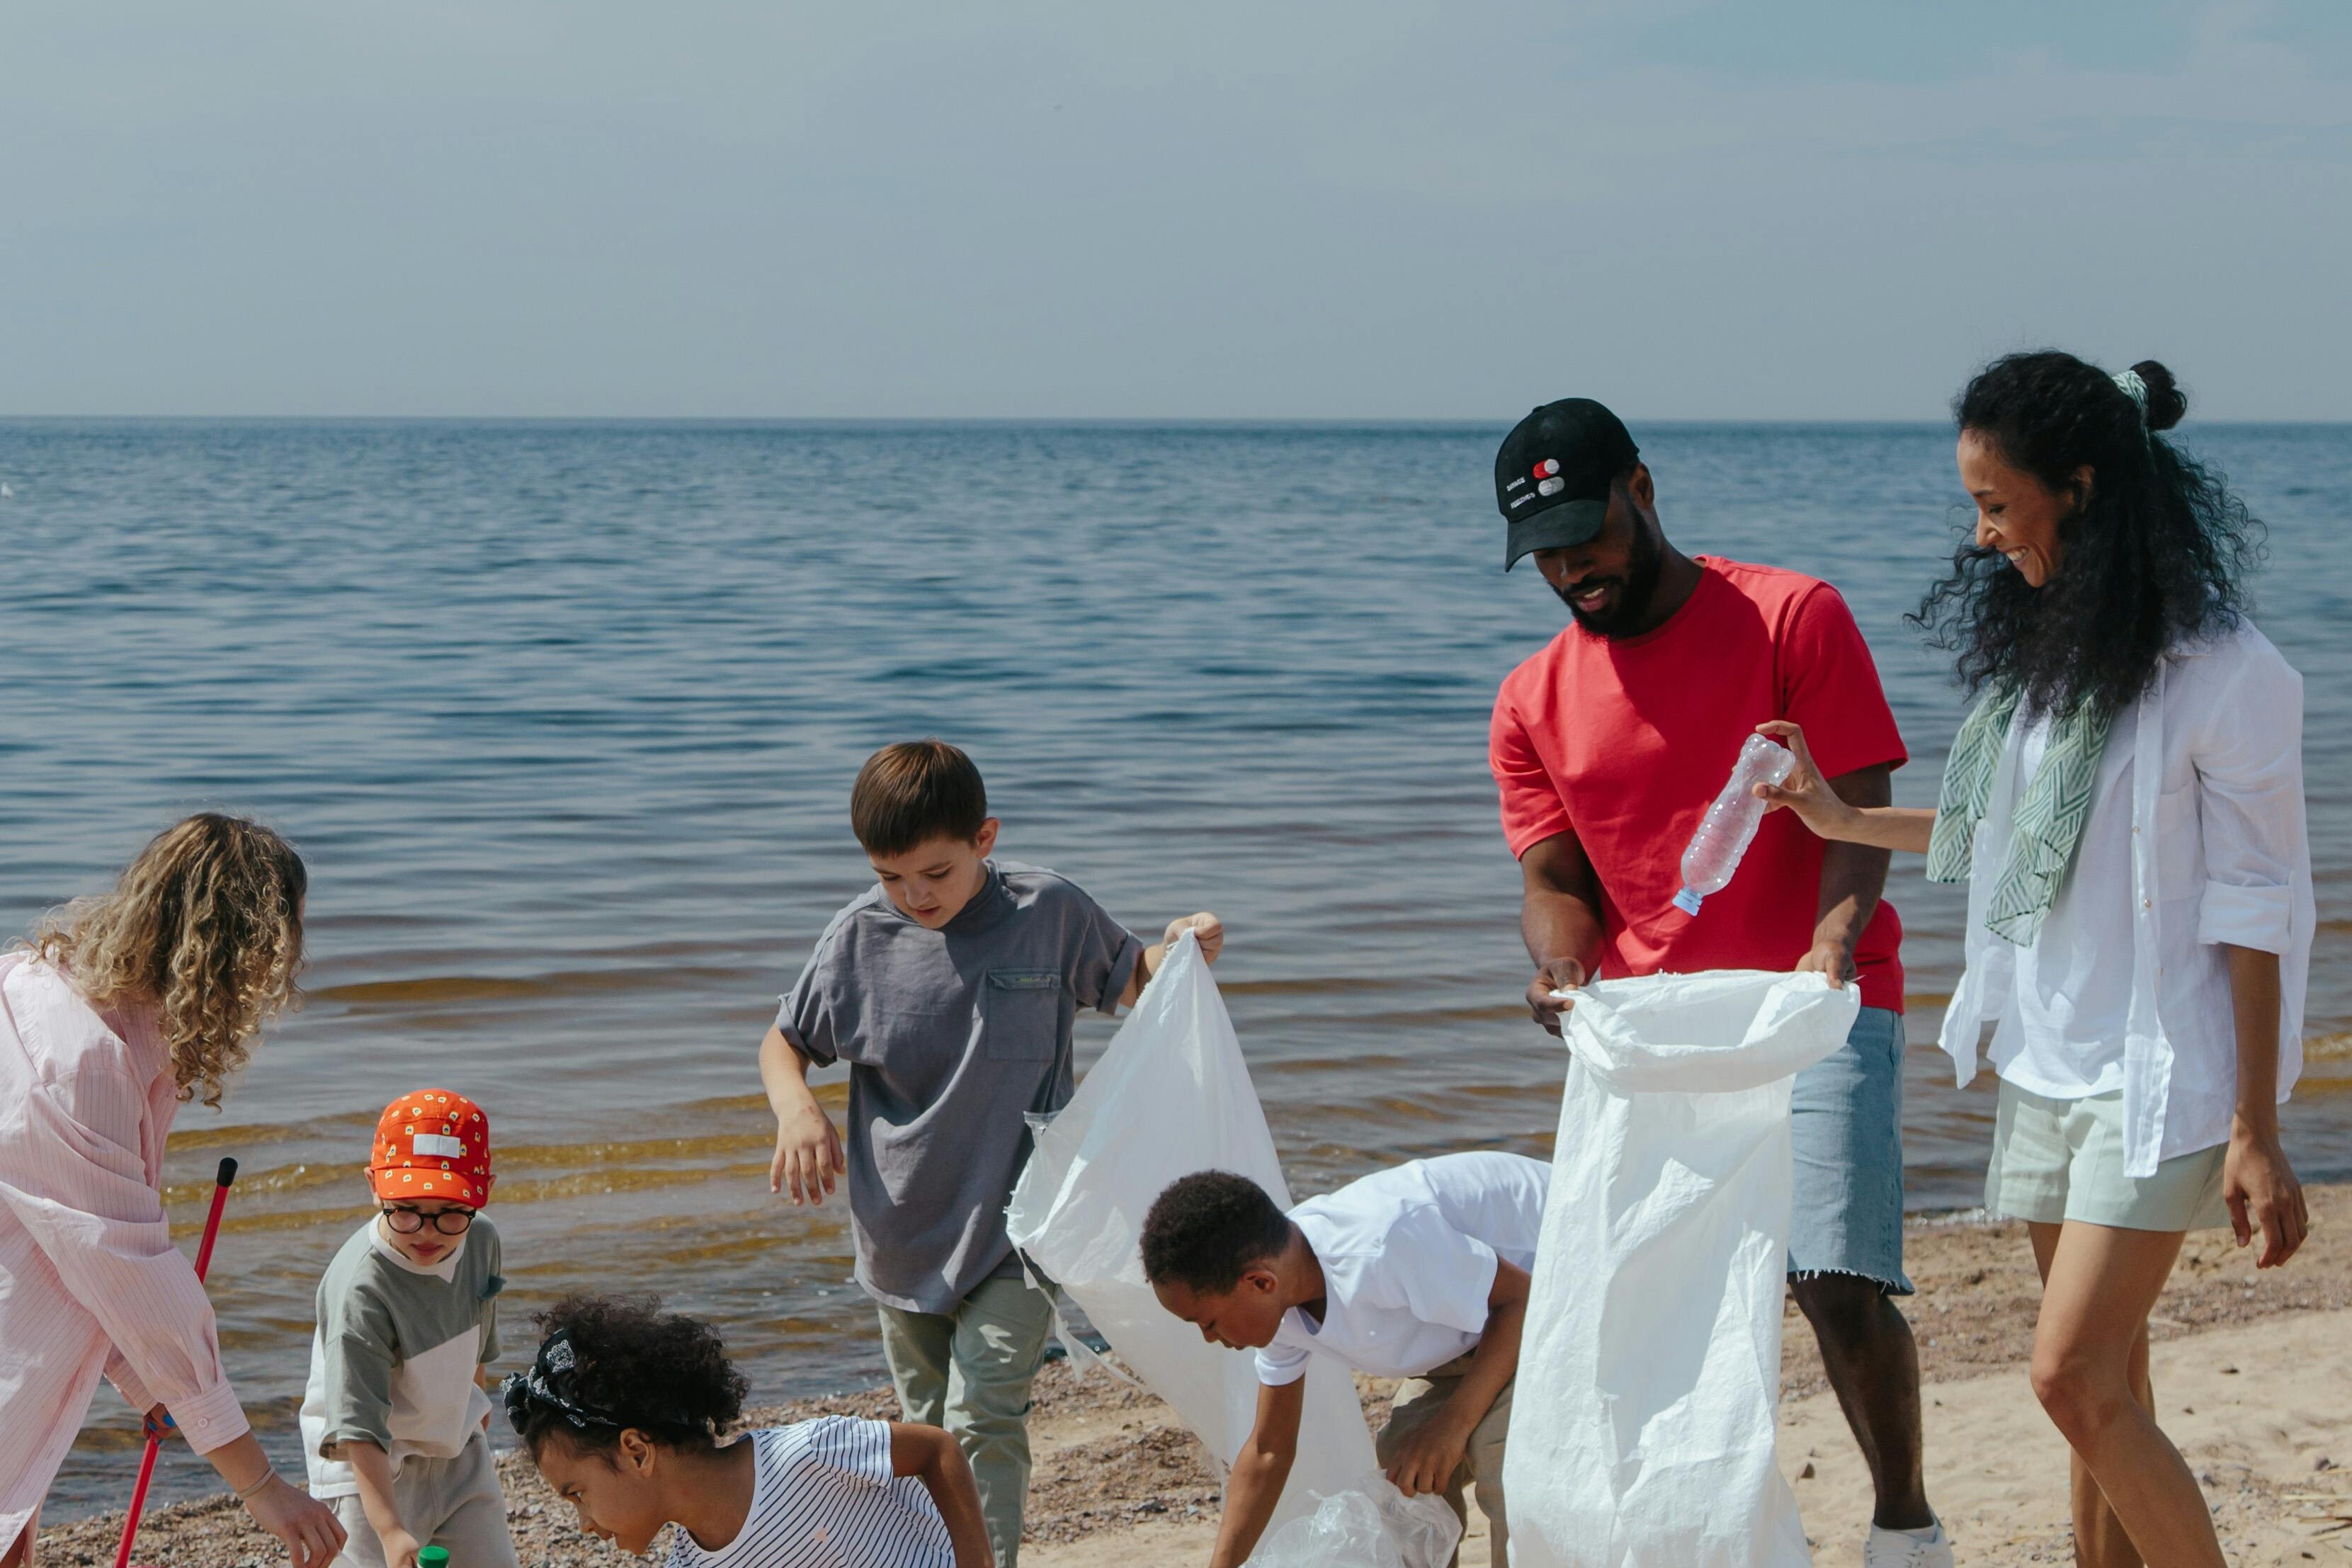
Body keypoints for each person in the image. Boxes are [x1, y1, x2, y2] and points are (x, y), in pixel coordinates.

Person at [1756, 353, 2311, 1568]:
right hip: (2049, 1056)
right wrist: (1834, 815)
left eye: (1997, 504)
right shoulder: (2048, 667)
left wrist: (2256, 1127)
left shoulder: (2227, 674)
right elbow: (1997, 832)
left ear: (2082, 488)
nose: (1982, 534)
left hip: (2159, 1071)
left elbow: (2258, 909)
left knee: (2068, 1376)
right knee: (2109, 1380)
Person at [1487, 399, 1949, 1565]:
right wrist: (1559, 966)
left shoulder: (1792, 614)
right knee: (1649, 1296)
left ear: (1641, 489)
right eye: (1545, 553)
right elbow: (1554, 877)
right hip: (1659, 1031)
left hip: (1817, 1001)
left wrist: (1831, 943)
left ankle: (1904, 1524)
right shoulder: (1531, 698)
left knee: (1833, 1276)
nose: (1571, 568)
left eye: (1585, 534)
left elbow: (1859, 804)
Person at [758, 739, 1225, 1568]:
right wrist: (797, 1110)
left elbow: (1135, 979)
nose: (915, 895)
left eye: (936, 873)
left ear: (985, 838)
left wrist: (1182, 946)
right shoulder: (859, 938)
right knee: (926, 1434)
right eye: (891, 877)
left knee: (984, 1418)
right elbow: (785, 1041)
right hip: (900, 1229)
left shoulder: (1048, 913)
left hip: (1022, 1223)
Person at [0, 814, 346, 1568]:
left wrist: (154, 1385)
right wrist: (260, 1485)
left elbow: (77, 1248)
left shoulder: (41, 985)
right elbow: (126, 1269)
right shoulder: (86, 1058)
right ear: (238, 947)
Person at [1140, 1152, 1550, 1568]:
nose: (1209, 1338)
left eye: (1208, 1322)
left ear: (1260, 1282)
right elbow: (1268, 1451)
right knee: (1404, 1461)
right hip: (1479, 1326)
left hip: (1558, 1298)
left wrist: (1453, 1425)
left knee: (1499, 1454)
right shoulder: (1282, 1296)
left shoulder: (1380, 1247)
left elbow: (1523, 1299)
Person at [506, 1293, 994, 1568]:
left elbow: (936, 1450)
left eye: (577, 1494)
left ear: (636, 1451)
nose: (584, 1523)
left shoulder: (805, 1457)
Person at [297, 1088, 516, 1568]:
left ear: (483, 1193)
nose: (427, 1231)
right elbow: (357, 1425)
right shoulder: (362, 1289)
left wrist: (473, 1413)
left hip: (456, 1450)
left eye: (450, 1211)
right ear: (375, 1187)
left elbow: (477, 1337)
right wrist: (390, 1528)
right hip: (366, 1469)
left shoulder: (480, 1239)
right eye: (408, 1209)